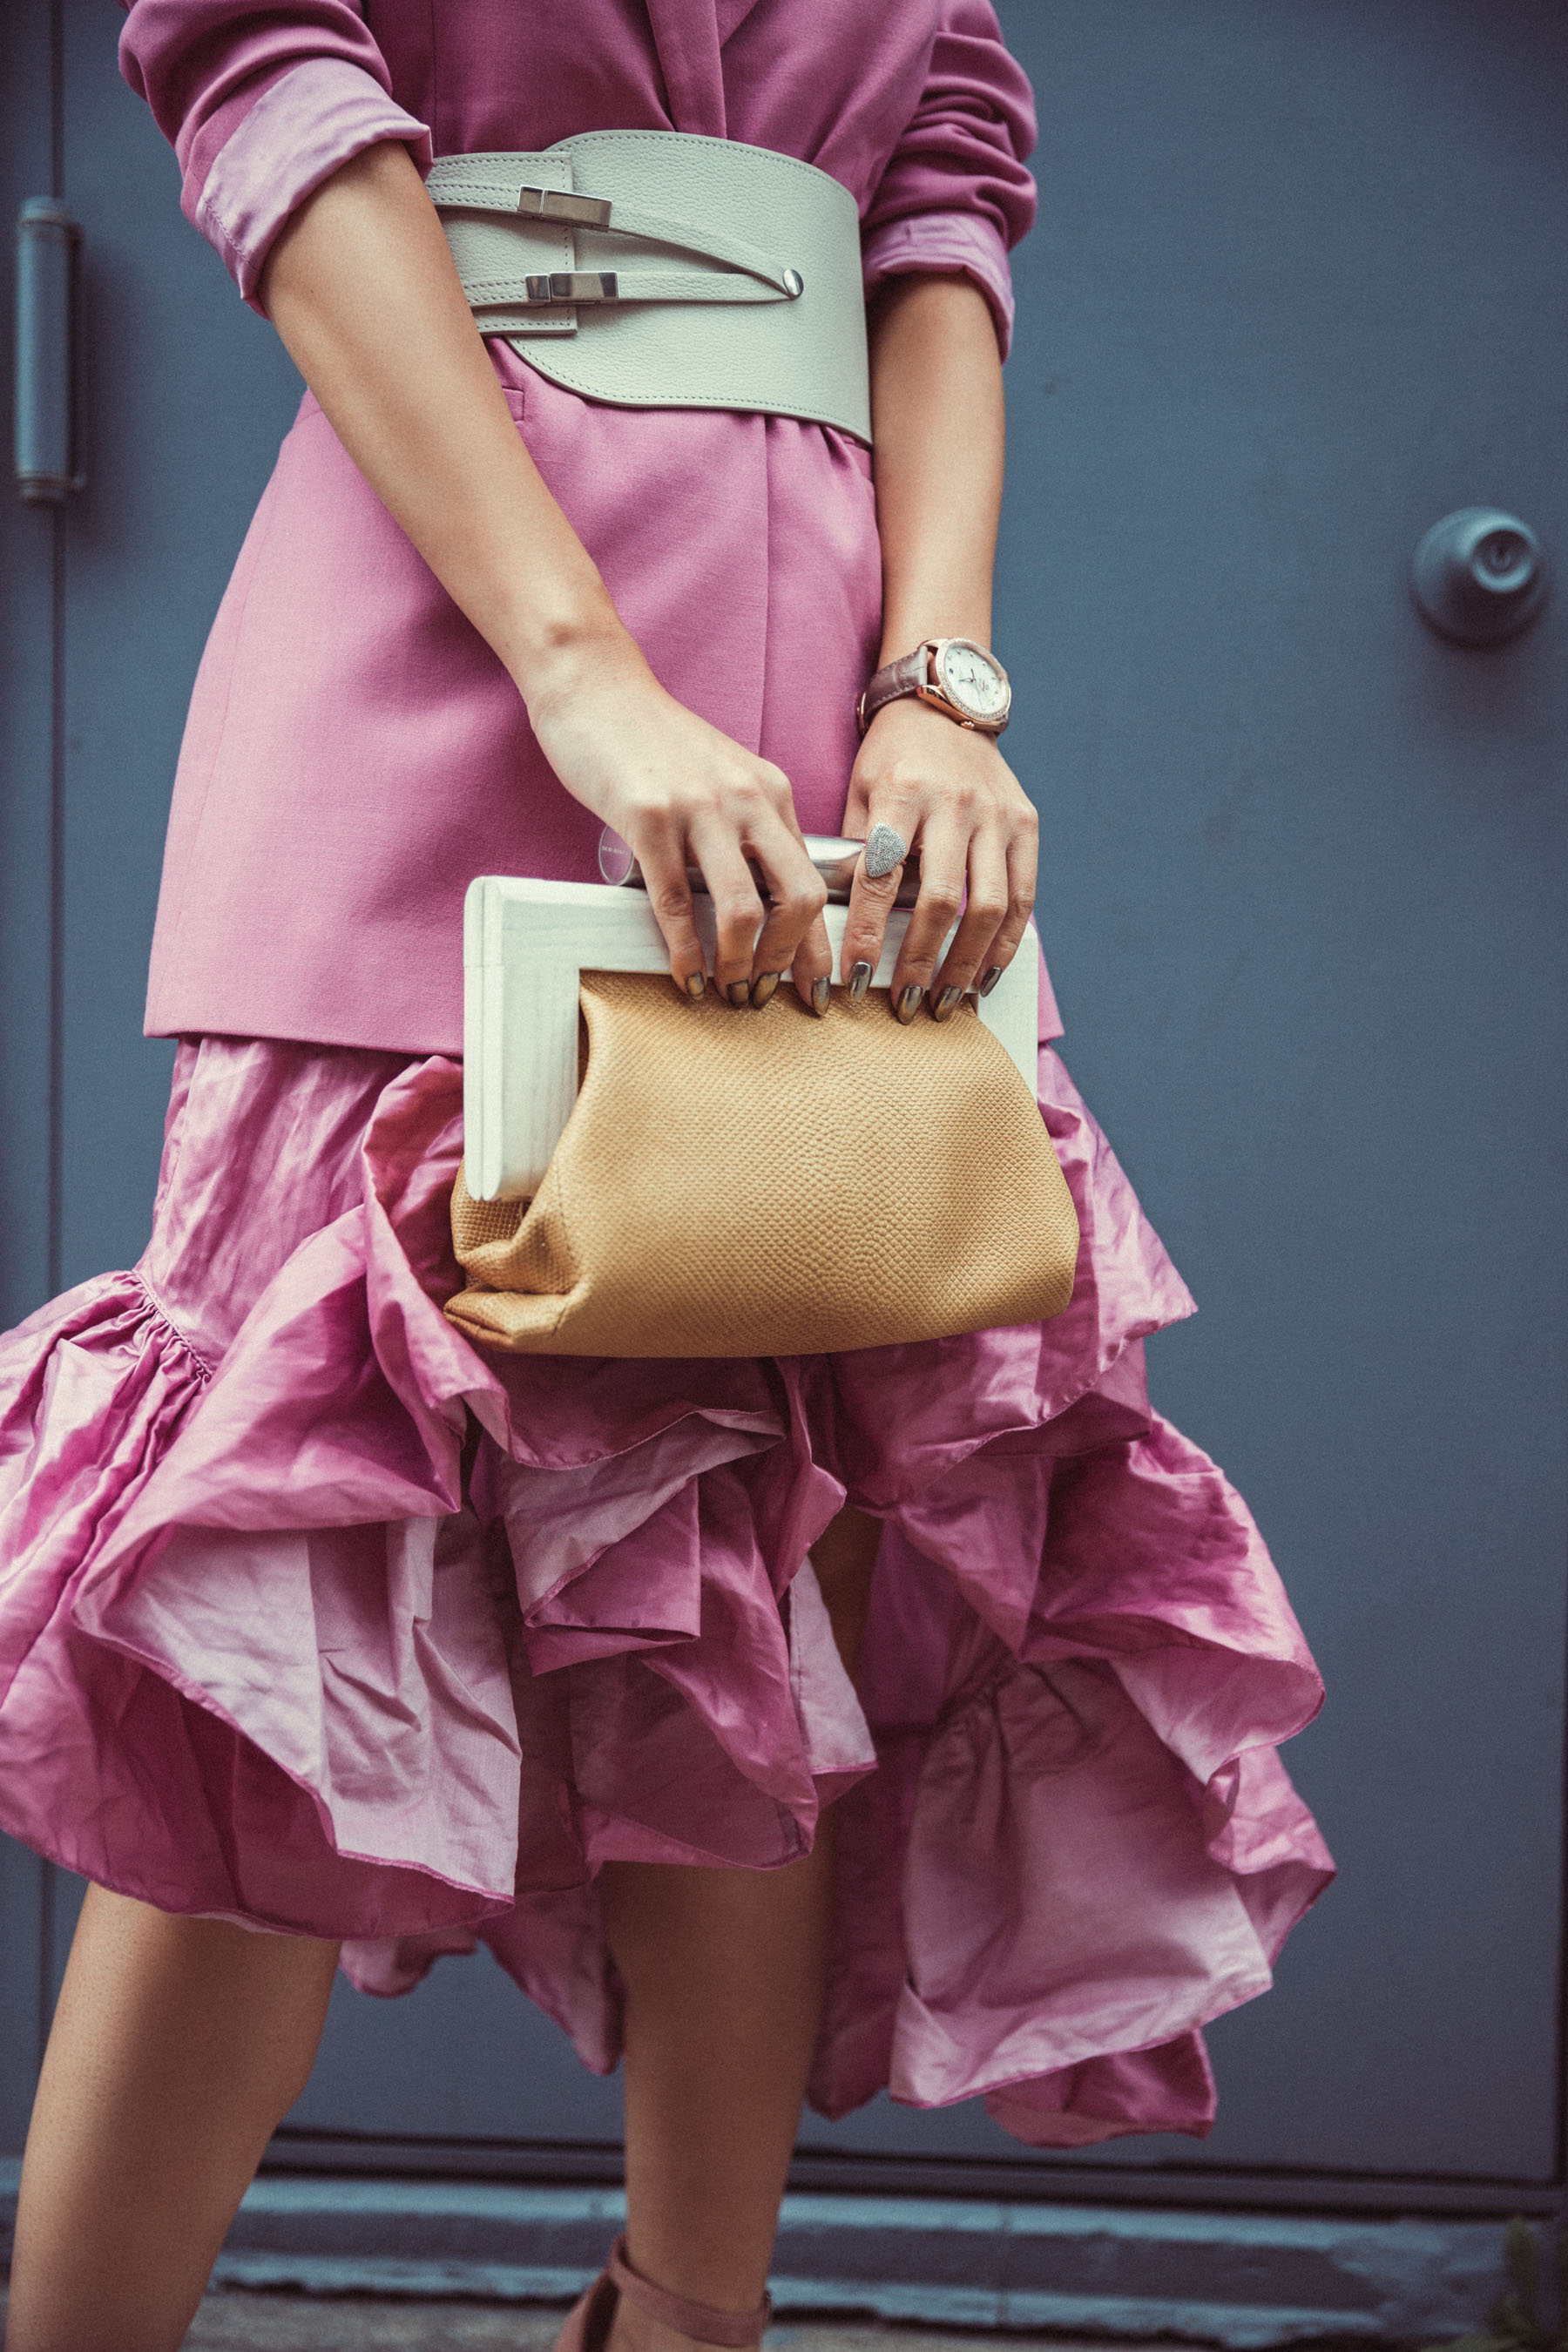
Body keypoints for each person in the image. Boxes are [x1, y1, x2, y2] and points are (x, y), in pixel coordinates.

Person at [0, 5, 1335, 2349]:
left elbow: (941, 203)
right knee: (274, 1605)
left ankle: (677, 2322)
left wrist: (941, 680)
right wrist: (580, 671)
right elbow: (267, 81)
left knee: (766, 1580)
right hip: (441, 644)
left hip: (821, 734)